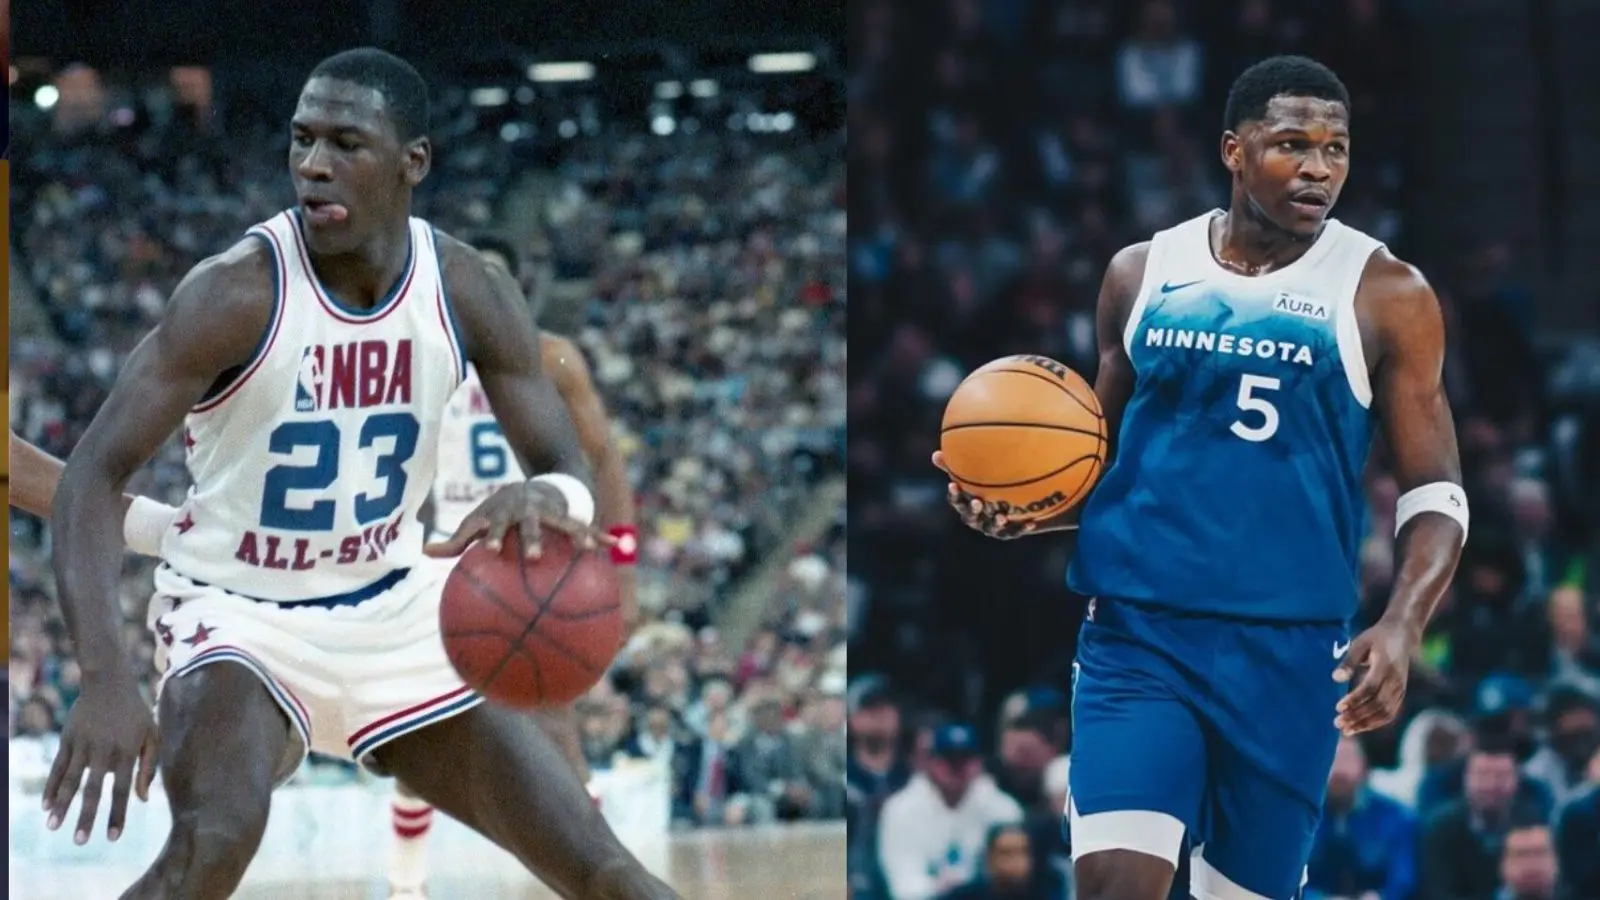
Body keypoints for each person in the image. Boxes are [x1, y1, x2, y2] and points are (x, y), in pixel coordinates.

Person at [42, 47, 676, 900]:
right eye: (302, 140)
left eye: (346, 143)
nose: (312, 164)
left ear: (413, 162)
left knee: (604, 868)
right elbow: (89, 478)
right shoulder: (233, 294)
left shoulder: (468, 289)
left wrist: (547, 495)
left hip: (396, 608)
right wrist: (106, 679)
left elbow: (570, 465)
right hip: (241, 617)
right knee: (215, 843)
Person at [935, 56, 1467, 900]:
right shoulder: (1140, 274)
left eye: (1337, 148)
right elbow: (1096, 466)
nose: (1319, 168)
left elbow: (1437, 492)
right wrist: (1020, 510)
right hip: (1140, 637)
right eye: (1292, 144)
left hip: (1291, 654)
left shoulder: (1386, 293)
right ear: (1233, 149)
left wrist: (1403, 624)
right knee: (1114, 883)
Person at [387, 234, 640, 898]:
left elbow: (606, 461)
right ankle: (405, 885)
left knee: (554, 721)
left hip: (531, 554)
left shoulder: (552, 358)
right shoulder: (416, 352)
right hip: (445, 555)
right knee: (418, 726)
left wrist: (625, 568)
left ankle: (600, 875)